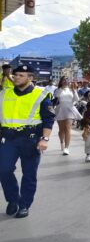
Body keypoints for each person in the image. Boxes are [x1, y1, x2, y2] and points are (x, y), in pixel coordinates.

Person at [0, 64, 55, 218]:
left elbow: (48, 119)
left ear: (30, 78)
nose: (16, 77)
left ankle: (24, 205)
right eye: (16, 74)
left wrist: (44, 139)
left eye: (21, 75)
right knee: (3, 170)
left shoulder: (41, 95)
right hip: (8, 138)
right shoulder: (5, 93)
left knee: (29, 174)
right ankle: (13, 199)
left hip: (30, 139)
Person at [53, 76, 81, 155]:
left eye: (67, 80)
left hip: (70, 109)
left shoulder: (72, 90)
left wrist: (74, 90)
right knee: (61, 130)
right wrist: (61, 88)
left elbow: (76, 99)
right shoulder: (58, 90)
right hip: (60, 109)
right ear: (61, 81)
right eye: (64, 80)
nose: (65, 81)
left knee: (68, 129)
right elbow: (57, 96)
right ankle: (62, 142)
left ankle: (66, 147)